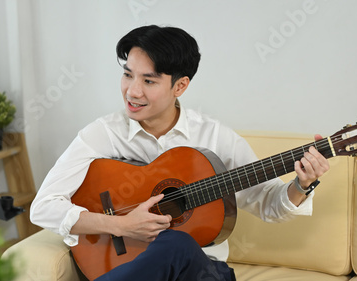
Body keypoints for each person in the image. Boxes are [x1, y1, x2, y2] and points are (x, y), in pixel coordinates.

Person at [30, 25, 330, 281]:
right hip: (130, 267)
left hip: (200, 271)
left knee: (177, 243)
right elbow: (42, 207)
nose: (132, 91)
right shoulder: (102, 134)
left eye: (148, 81)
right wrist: (119, 225)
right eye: (128, 75)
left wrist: (302, 185)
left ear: (180, 86)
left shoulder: (215, 138)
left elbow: (269, 203)